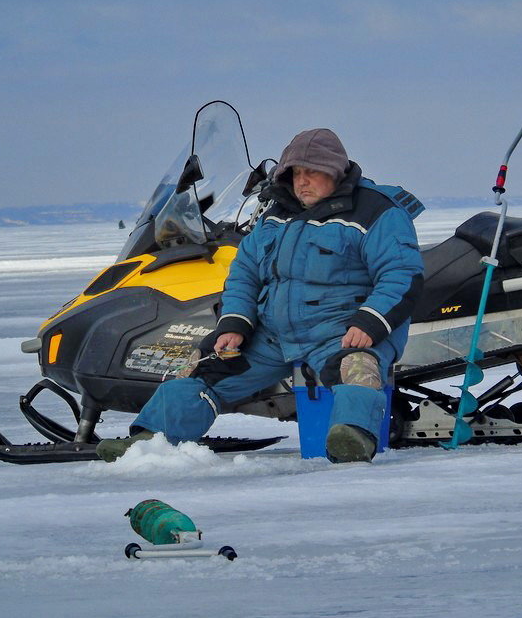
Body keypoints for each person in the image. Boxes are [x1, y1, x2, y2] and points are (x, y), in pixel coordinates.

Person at [96, 128, 425, 463]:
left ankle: (352, 439)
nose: (302, 182)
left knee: (357, 366)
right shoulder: (278, 214)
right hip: (272, 334)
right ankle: (149, 444)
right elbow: (244, 273)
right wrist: (235, 323)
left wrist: (370, 322)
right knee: (206, 366)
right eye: (296, 173)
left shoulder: (376, 212)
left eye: (311, 172)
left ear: (335, 171)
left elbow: (401, 275)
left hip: (339, 330)